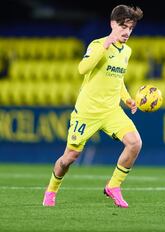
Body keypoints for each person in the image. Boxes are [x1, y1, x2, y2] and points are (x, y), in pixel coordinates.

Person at [42, 5, 143, 208]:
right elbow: (82, 68)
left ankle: (113, 186)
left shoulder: (127, 51)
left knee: (135, 143)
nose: (127, 32)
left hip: (111, 110)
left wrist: (127, 98)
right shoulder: (97, 45)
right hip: (87, 112)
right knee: (70, 157)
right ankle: (51, 190)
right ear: (112, 24)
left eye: (130, 28)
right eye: (123, 26)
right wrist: (106, 44)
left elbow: (117, 78)